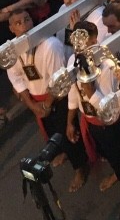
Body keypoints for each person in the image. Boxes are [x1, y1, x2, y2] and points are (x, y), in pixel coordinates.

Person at [6, 10, 89, 191]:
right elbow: (17, 80)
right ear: (11, 28)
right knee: (52, 133)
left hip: (58, 97)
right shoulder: (11, 52)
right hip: (36, 101)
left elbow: (59, 80)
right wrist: (33, 106)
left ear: (32, 20)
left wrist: (46, 104)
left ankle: (80, 167)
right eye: (18, 23)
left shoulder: (50, 46)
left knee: (68, 133)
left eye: (27, 19)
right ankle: (61, 152)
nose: (24, 25)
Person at [66, 20, 120, 217]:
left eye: (85, 42)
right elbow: (73, 92)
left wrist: (89, 91)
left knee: (119, 156)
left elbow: (108, 105)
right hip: (90, 120)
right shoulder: (74, 61)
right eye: (77, 43)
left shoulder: (106, 64)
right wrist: (70, 121)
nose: (81, 48)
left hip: (109, 123)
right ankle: (118, 173)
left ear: (95, 39)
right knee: (108, 154)